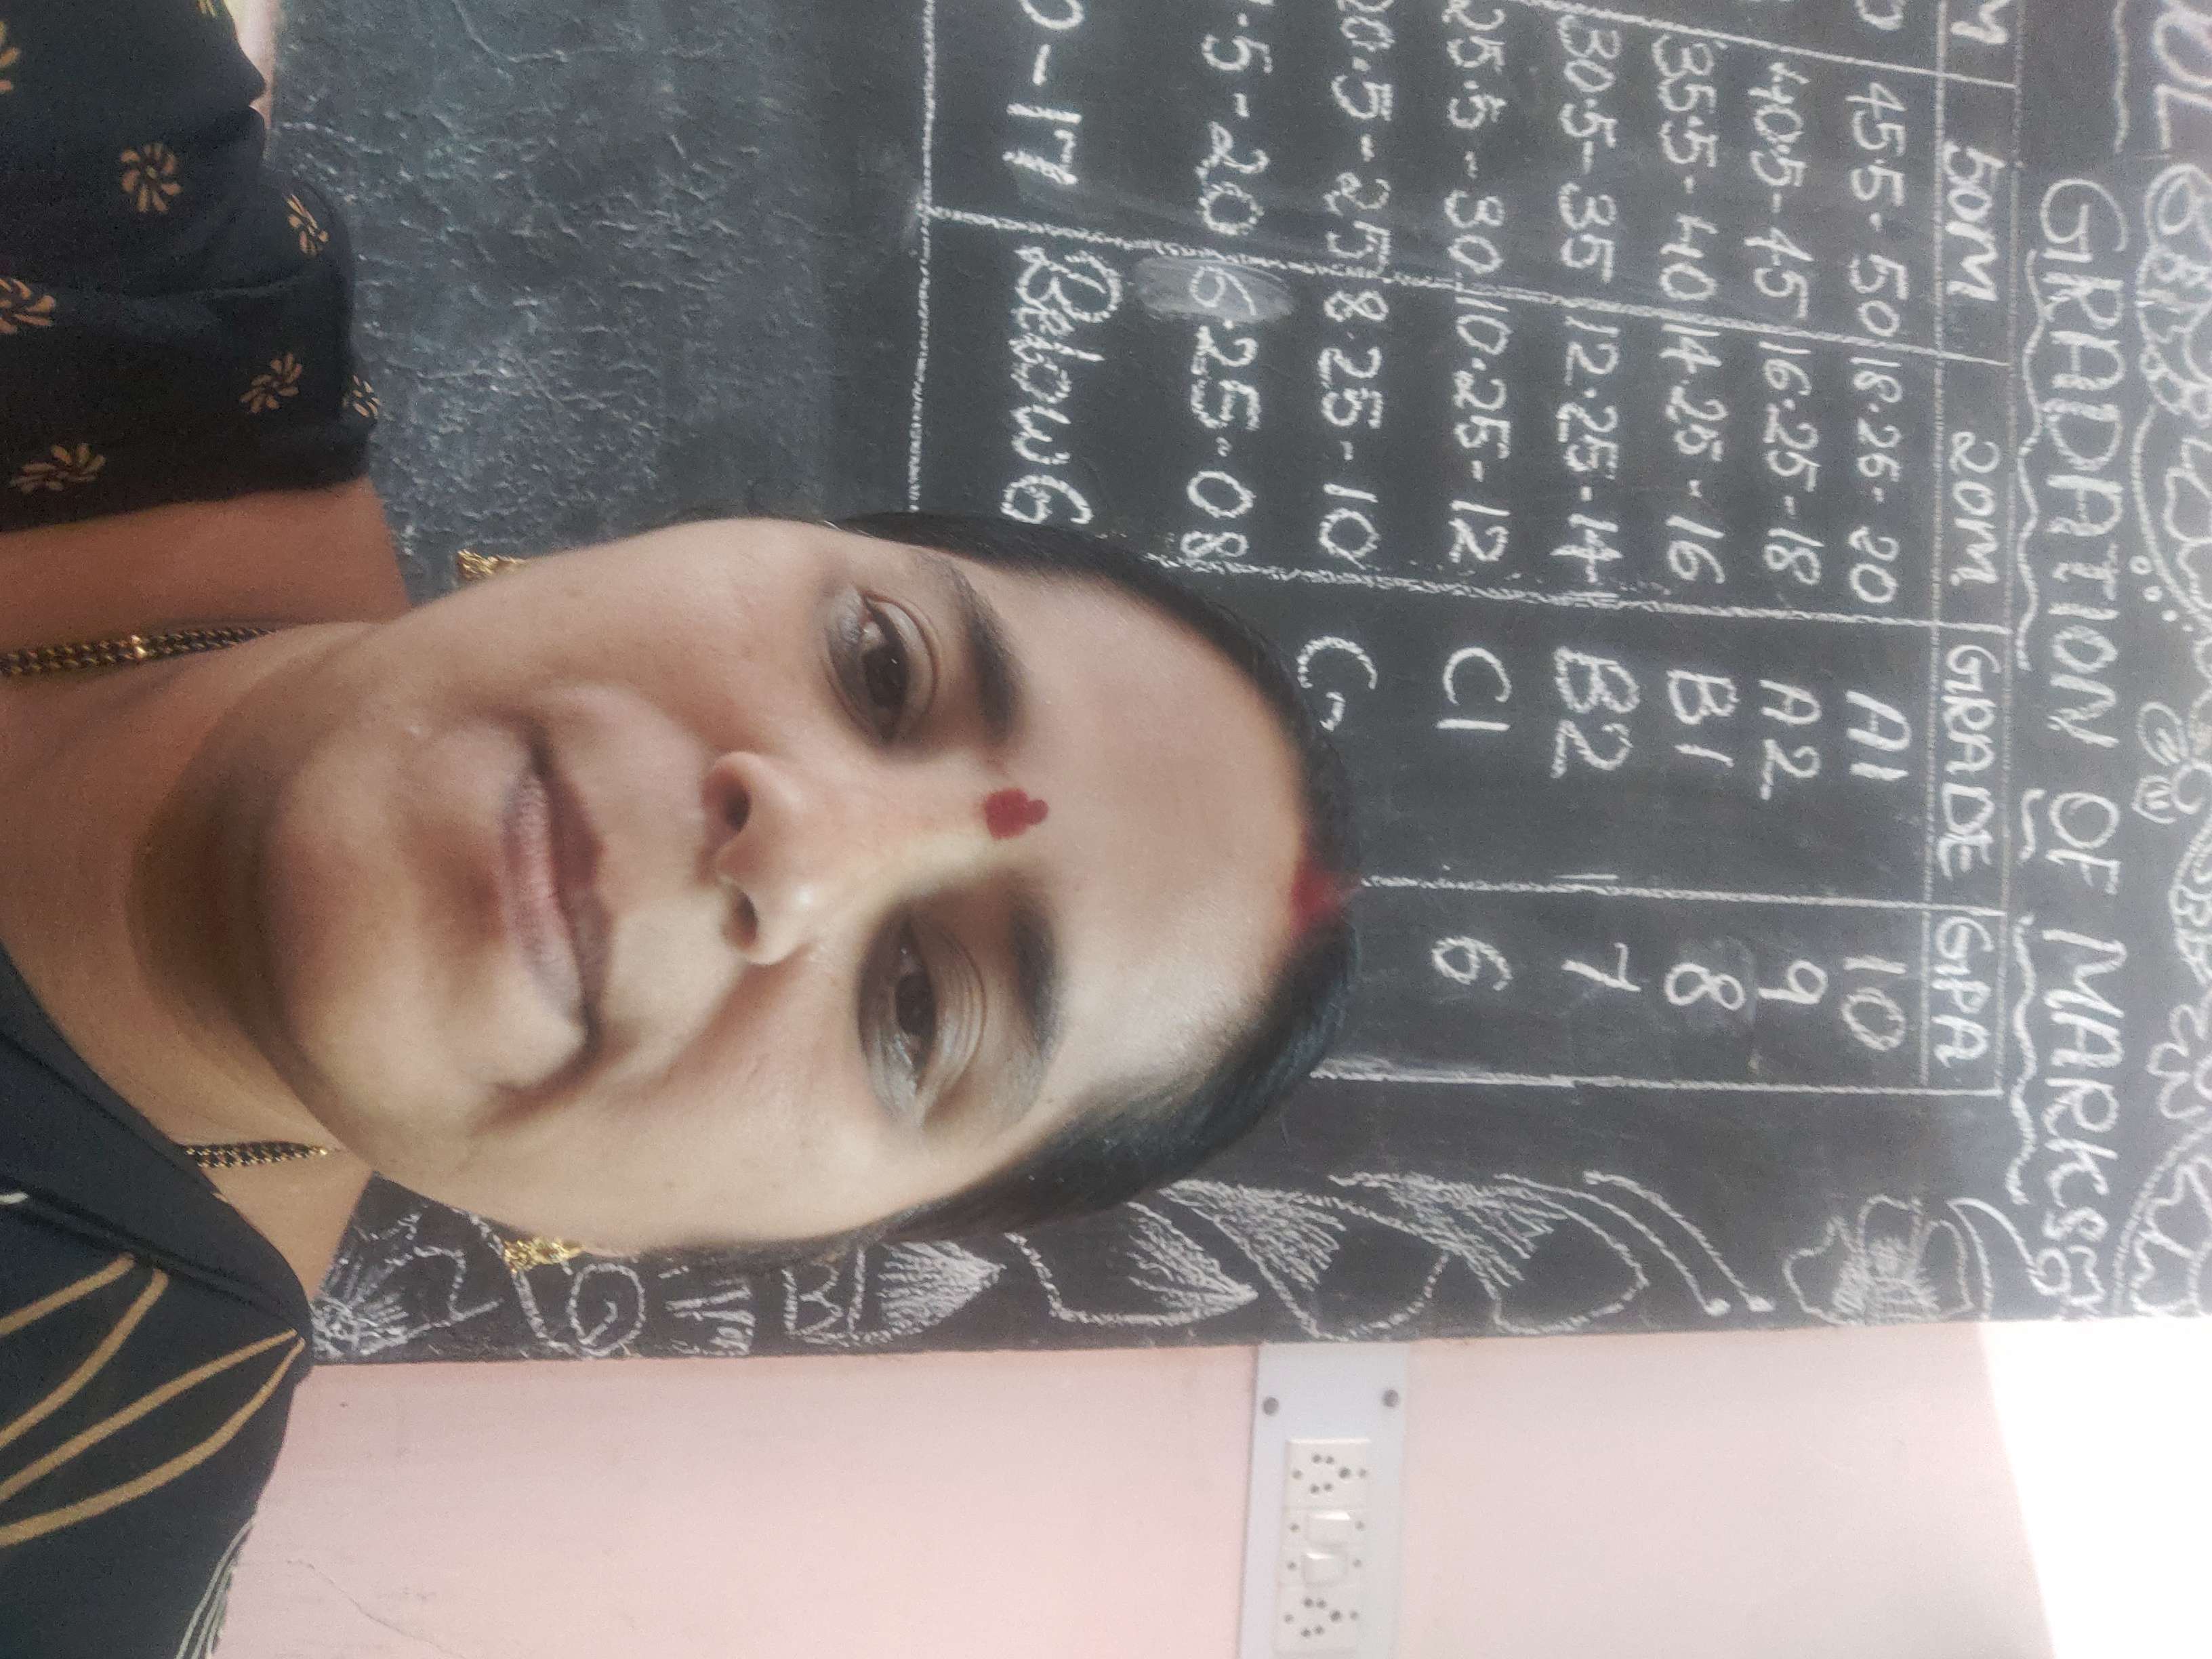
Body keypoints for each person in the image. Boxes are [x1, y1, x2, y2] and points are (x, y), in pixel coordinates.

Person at [0, 1, 1355, 1650]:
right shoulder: (90, 168)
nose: (798, 844)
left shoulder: (66, 1507)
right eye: (881, 667)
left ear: (738, 1242)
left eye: (916, 1006)